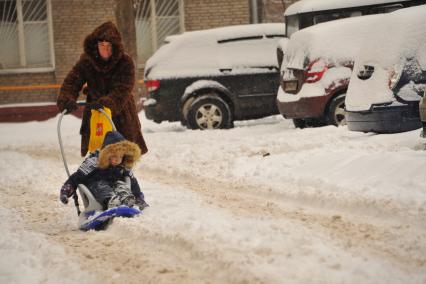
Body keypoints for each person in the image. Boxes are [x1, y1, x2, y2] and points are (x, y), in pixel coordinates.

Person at [56, 21, 148, 157]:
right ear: (95, 45)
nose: (105, 49)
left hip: (121, 115)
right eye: (102, 45)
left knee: (122, 160)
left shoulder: (125, 62)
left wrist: (107, 103)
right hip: (95, 116)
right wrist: (66, 99)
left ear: (115, 47)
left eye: (109, 46)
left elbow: (123, 89)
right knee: (96, 156)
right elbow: (72, 81)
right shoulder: (87, 61)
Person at [59, 131, 148, 210]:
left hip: (115, 188)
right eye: (114, 156)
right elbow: (76, 177)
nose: (118, 160)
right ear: (106, 155)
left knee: (121, 184)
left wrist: (139, 197)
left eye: (120, 157)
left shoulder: (122, 167)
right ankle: (112, 201)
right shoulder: (94, 163)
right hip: (95, 191)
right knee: (101, 185)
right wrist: (65, 192)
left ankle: (127, 200)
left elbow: (133, 182)